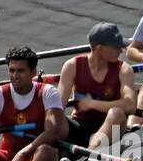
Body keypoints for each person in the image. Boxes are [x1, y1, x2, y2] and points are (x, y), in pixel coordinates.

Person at [57, 23, 137, 152]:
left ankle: (86, 157)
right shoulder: (72, 66)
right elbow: (58, 107)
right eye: (116, 47)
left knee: (116, 113)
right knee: (54, 118)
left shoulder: (123, 69)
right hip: (80, 123)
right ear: (100, 48)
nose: (121, 50)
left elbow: (130, 105)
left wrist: (93, 104)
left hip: (110, 125)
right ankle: (51, 158)